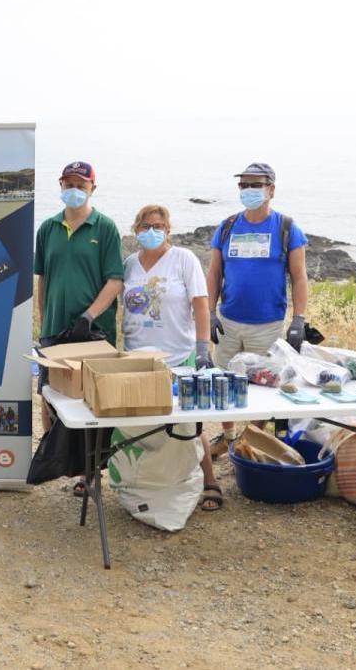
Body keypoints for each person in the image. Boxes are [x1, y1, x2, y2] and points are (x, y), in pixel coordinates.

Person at [122, 204, 223, 510]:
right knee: (137, 425)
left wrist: (203, 348)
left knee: (189, 425)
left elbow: (201, 304)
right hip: (138, 358)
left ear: (168, 230)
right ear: (136, 230)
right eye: (145, 226)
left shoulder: (183, 259)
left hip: (179, 356)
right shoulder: (129, 264)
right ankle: (142, 483)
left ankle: (210, 481)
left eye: (158, 226)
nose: (152, 232)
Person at [33, 161, 124, 497]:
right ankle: (60, 463)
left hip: (94, 333)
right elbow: (42, 277)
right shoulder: (47, 228)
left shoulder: (106, 228)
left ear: (92, 189)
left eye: (80, 184)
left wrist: (89, 315)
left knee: (92, 405)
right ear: (60, 185)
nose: (73, 189)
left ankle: (91, 473)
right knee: (49, 398)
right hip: (55, 332)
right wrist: (45, 323)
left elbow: (115, 280)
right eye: (68, 183)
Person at [206, 163, 309, 445]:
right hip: (228, 322)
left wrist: (299, 319)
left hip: (267, 325)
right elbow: (214, 272)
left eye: (255, 184)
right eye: (244, 185)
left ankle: (250, 438)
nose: (249, 190)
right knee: (223, 381)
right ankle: (227, 435)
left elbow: (299, 278)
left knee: (263, 386)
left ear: (271, 189)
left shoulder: (287, 228)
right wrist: (210, 312)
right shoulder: (227, 227)